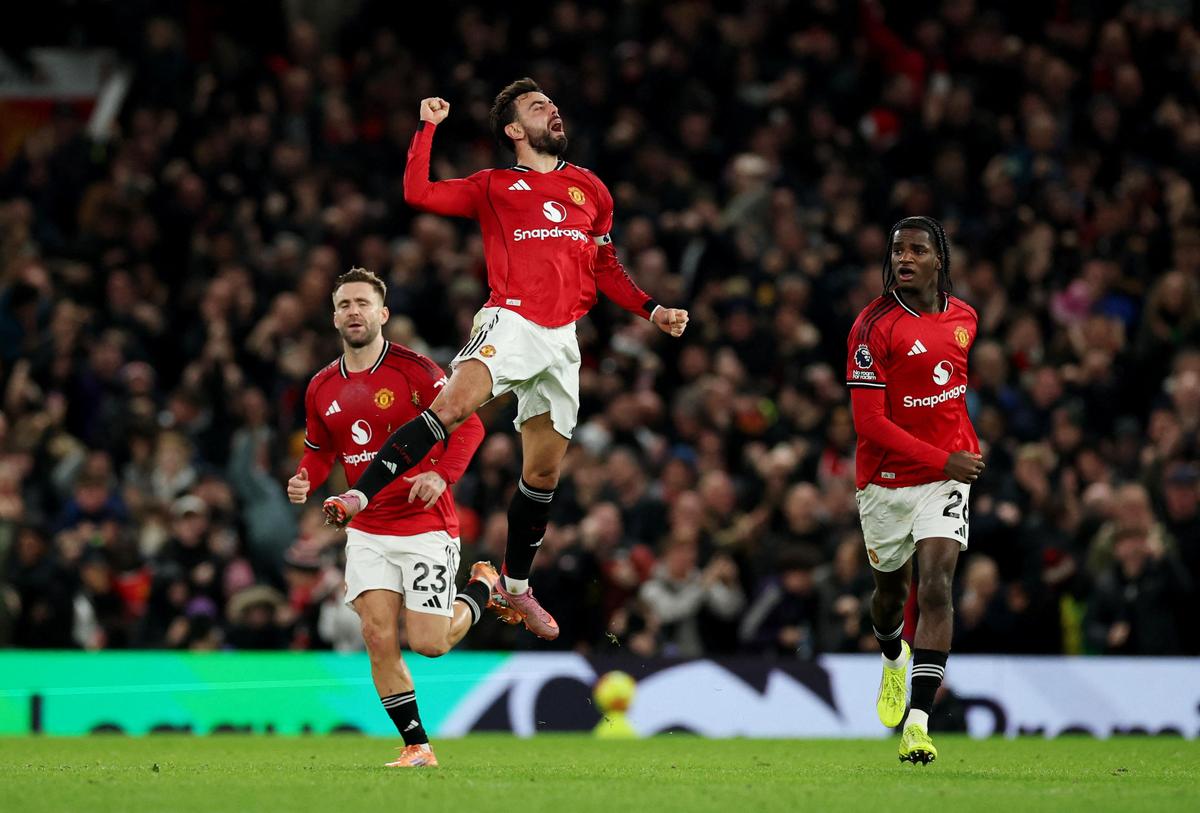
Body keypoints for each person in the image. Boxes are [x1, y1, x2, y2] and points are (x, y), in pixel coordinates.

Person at [321, 78, 690, 640]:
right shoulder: (493, 185)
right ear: (515, 129)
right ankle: (359, 494)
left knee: (542, 474)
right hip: (512, 320)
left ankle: (512, 587)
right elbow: (418, 193)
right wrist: (427, 128)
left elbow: (604, 266)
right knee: (451, 408)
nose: (553, 110)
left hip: (563, 339)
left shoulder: (590, 188)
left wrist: (652, 309)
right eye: (539, 106)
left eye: (554, 103)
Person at [287, 267, 499, 769]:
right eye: (344, 304)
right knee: (377, 635)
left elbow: (469, 427)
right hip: (366, 528)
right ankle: (416, 746)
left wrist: (442, 475)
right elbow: (320, 449)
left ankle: (484, 587)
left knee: (429, 643)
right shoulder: (320, 386)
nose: (353, 312)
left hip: (425, 523)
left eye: (362, 303)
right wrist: (305, 476)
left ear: (382, 313)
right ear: (334, 317)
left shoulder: (416, 370)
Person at [845, 216, 986, 765]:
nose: (905, 258)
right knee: (889, 596)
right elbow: (869, 424)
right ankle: (891, 657)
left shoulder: (965, 318)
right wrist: (943, 456)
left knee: (936, 587)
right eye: (898, 249)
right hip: (885, 482)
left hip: (944, 479)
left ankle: (918, 725)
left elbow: (949, 395)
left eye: (917, 250)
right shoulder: (871, 328)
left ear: (938, 260)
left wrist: (956, 454)